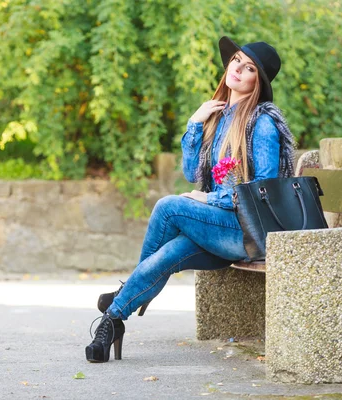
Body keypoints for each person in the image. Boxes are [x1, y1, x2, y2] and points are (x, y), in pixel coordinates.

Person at [85, 37, 296, 363]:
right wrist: (195, 124)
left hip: (248, 234)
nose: (237, 69)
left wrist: (211, 200)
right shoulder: (219, 115)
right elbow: (189, 171)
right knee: (169, 253)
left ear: (258, 81)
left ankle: (126, 292)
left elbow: (263, 189)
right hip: (219, 231)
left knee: (169, 207)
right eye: (236, 61)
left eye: (249, 67)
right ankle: (113, 321)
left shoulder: (262, 123)